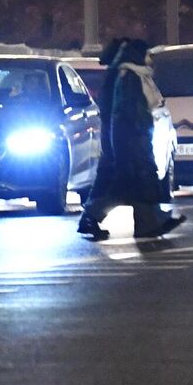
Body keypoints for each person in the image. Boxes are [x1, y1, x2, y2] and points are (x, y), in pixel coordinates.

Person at [107, 40, 176, 238]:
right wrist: (141, 132)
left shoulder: (136, 75)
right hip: (133, 136)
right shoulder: (130, 76)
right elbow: (132, 109)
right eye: (145, 54)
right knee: (137, 180)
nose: (148, 59)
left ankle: (150, 223)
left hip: (135, 135)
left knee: (141, 181)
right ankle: (94, 215)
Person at [75, 37, 128, 241]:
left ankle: (151, 221)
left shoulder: (114, 75)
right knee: (115, 180)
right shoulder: (119, 76)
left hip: (112, 135)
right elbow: (116, 110)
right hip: (116, 136)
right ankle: (90, 216)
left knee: (111, 179)